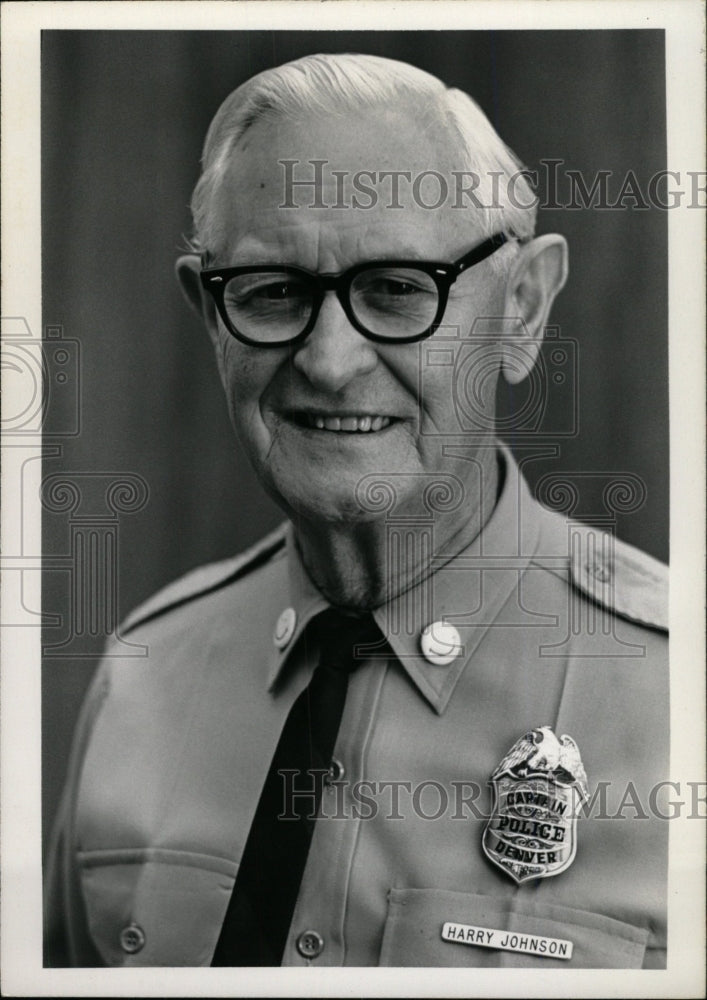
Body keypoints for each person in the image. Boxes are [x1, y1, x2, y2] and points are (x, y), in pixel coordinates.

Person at [44, 52, 668, 969]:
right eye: (273, 292)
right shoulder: (142, 674)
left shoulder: (674, 699)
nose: (329, 362)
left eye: (397, 289)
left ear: (523, 307)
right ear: (208, 315)